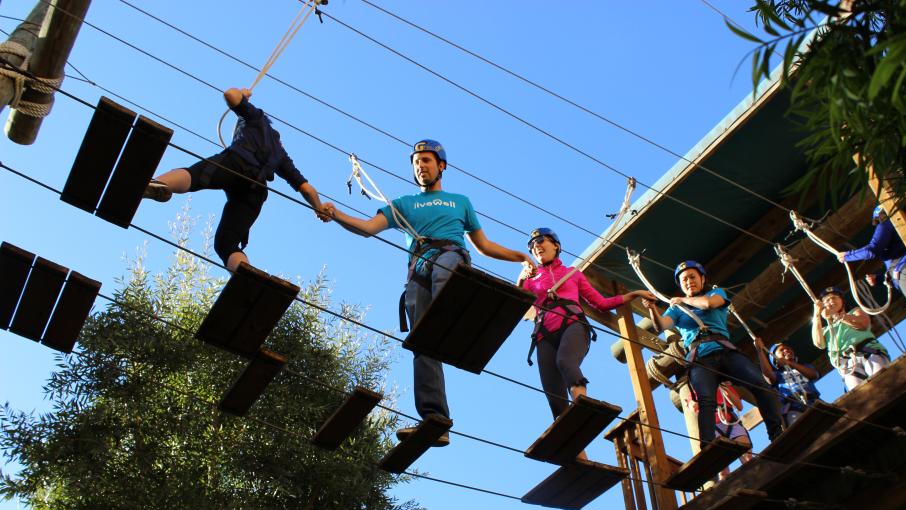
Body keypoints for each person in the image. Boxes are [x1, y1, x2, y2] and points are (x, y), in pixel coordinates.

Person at [318, 139, 533, 444]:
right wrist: (336, 213)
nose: (421, 166)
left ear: (441, 165)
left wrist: (520, 256)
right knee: (421, 343)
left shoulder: (460, 202)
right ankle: (436, 420)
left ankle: (456, 319)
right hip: (418, 269)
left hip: (450, 256)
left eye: (427, 161)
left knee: (446, 275)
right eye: (417, 162)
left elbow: (484, 246)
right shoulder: (403, 205)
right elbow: (367, 228)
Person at [143, 87, 334, 271]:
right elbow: (306, 189)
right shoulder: (281, 156)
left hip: (235, 163)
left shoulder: (257, 119)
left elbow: (230, 94)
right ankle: (244, 272)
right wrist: (318, 208)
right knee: (227, 243)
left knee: (194, 176)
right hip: (255, 191)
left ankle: (160, 184)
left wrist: (243, 95)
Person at [642, 260, 784, 447]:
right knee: (706, 400)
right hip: (700, 358)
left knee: (761, 385)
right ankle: (708, 445)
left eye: (692, 277)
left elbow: (708, 304)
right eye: (684, 279)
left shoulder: (716, 294)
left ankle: (777, 434)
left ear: (702, 279)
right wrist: (652, 309)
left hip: (725, 351)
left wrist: (683, 299)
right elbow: (661, 325)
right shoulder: (676, 309)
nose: (689, 281)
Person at [517, 228, 654, 420]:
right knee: (553, 396)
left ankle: (580, 403)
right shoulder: (530, 281)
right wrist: (522, 277)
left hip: (572, 325)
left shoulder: (571, 274)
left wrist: (633, 295)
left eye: (541, 240)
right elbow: (517, 303)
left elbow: (601, 303)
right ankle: (573, 441)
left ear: (556, 245)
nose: (536, 246)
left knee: (565, 361)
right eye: (532, 245)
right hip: (543, 334)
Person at [839, 204, 906, 333]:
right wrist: (880, 278)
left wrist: (847, 256)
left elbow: (873, 250)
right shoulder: (902, 226)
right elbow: (897, 254)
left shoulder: (887, 224)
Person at [811, 286, 890, 390]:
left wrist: (839, 316)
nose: (831, 301)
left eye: (834, 297)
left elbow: (863, 324)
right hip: (847, 363)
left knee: (882, 380)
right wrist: (817, 314)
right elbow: (818, 343)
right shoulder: (826, 330)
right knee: (859, 391)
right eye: (827, 300)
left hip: (869, 352)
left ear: (842, 301)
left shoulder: (854, 312)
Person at [754, 338, 821, 426]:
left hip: (814, 403)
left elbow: (813, 375)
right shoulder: (778, 375)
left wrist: (790, 364)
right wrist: (760, 351)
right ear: (775, 359)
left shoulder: (804, 367)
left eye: (788, 349)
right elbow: (768, 374)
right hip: (794, 408)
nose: (786, 350)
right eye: (781, 350)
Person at [711, 382, 753, 479]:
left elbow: (739, 406)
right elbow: (694, 408)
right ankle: (726, 491)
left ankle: (754, 479)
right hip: (714, 426)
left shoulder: (725, 387)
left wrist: (724, 388)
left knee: (747, 458)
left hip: (731, 422)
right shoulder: (697, 390)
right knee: (722, 470)